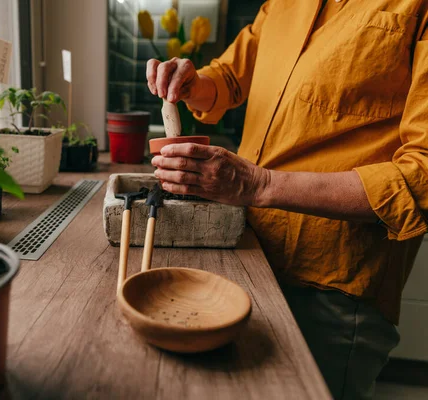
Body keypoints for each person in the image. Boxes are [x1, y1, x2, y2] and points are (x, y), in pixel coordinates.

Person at [147, 1, 428, 399]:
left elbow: (423, 176)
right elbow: (230, 76)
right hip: (248, 252)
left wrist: (258, 186)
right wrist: (195, 84)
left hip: (333, 286)